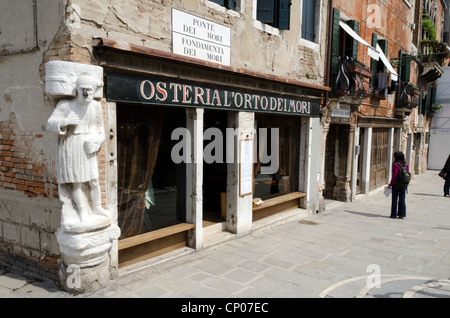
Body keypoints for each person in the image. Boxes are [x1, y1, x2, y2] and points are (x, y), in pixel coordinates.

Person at [46, 75, 110, 225]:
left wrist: (99, 139)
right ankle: (82, 211)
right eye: (83, 90)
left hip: (88, 146)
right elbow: (50, 124)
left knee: (94, 180)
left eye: (90, 90)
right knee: (78, 183)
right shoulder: (65, 105)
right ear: (77, 89)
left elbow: (101, 129)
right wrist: (65, 121)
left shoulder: (95, 106)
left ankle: (97, 207)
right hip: (72, 145)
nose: (86, 93)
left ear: (94, 91)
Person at [388, 151, 409, 219]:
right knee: (402, 199)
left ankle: (393, 214)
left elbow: (394, 175)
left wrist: (390, 184)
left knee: (394, 199)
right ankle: (401, 214)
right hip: (403, 184)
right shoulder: (406, 165)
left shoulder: (395, 165)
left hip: (396, 184)